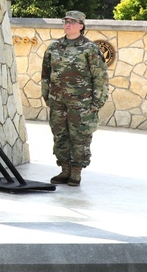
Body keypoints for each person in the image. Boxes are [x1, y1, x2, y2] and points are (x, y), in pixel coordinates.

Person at [41, 10, 109, 187]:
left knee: (80, 137)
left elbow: (100, 77)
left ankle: (76, 172)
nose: (68, 24)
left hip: (82, 103)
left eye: (72, 22)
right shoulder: (54, 47)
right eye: (66, 21)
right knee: (60, 135)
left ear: (81, 25)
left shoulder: (90, 49)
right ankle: (64, 170)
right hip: (58, 102)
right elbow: (46, 74)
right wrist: (47, 97)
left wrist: (97, 102)